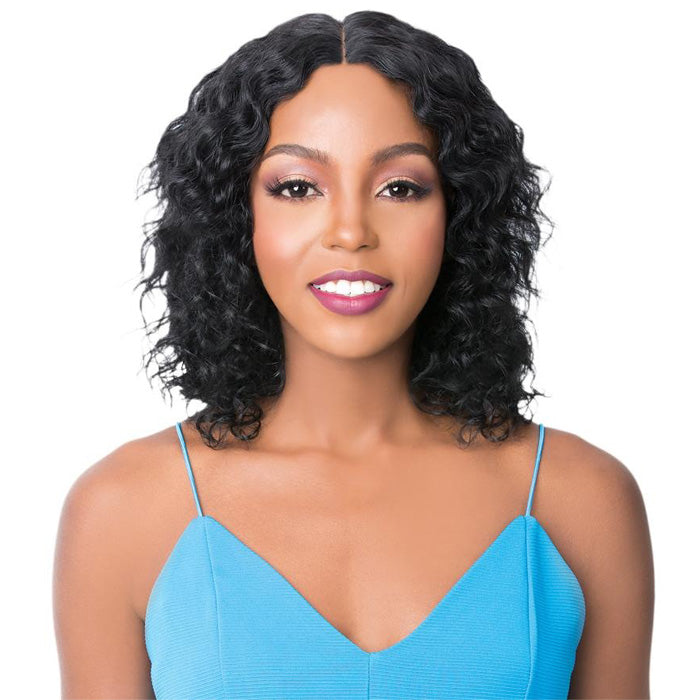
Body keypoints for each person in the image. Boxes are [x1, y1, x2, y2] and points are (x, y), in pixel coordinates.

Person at [53, 11, 654, 699]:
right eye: (297, 187)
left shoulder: (580, 500)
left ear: (458, 214)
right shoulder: (123, 510)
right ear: (237, 216)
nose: (350, 231)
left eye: (400, 187)